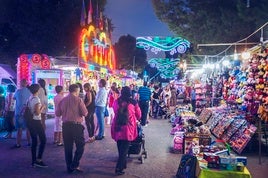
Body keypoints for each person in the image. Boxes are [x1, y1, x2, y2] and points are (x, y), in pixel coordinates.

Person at [55, 84, 88, 173]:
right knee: (80, 146)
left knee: (68, 147)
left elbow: (57, 114)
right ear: (76, 91)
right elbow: (85, 113)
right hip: (76, 126)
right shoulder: (78, 100)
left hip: (66, 126)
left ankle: (69, 167)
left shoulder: (63, 100)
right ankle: (74, 164)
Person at [111, 86, 141, 175]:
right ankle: (119, 168)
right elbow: (139, 114)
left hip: (117, 127)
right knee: (124, 149)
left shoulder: (117, 101)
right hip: (128, 128)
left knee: (120, 147)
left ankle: (123, 164)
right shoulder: (134, 102)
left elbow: (114, 109)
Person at [27, 84, 47, 168]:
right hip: (36, 121)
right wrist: (43, 107)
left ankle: (33, 160)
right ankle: (39, 159)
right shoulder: (36, 99)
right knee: (43, 140)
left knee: (34, 140)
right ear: (37, 90)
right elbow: (38, 112)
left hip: (30, 121)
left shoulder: (29, 98)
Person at [13, 79, 31, 148]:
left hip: (18, 112)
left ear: (21, 84)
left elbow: (14, 99)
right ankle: (29, 142)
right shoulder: (29, 92)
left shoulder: (18, 91)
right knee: (28, 128)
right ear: (26, 84)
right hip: (26, 113)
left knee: (19, 129)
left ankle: (18, 143)